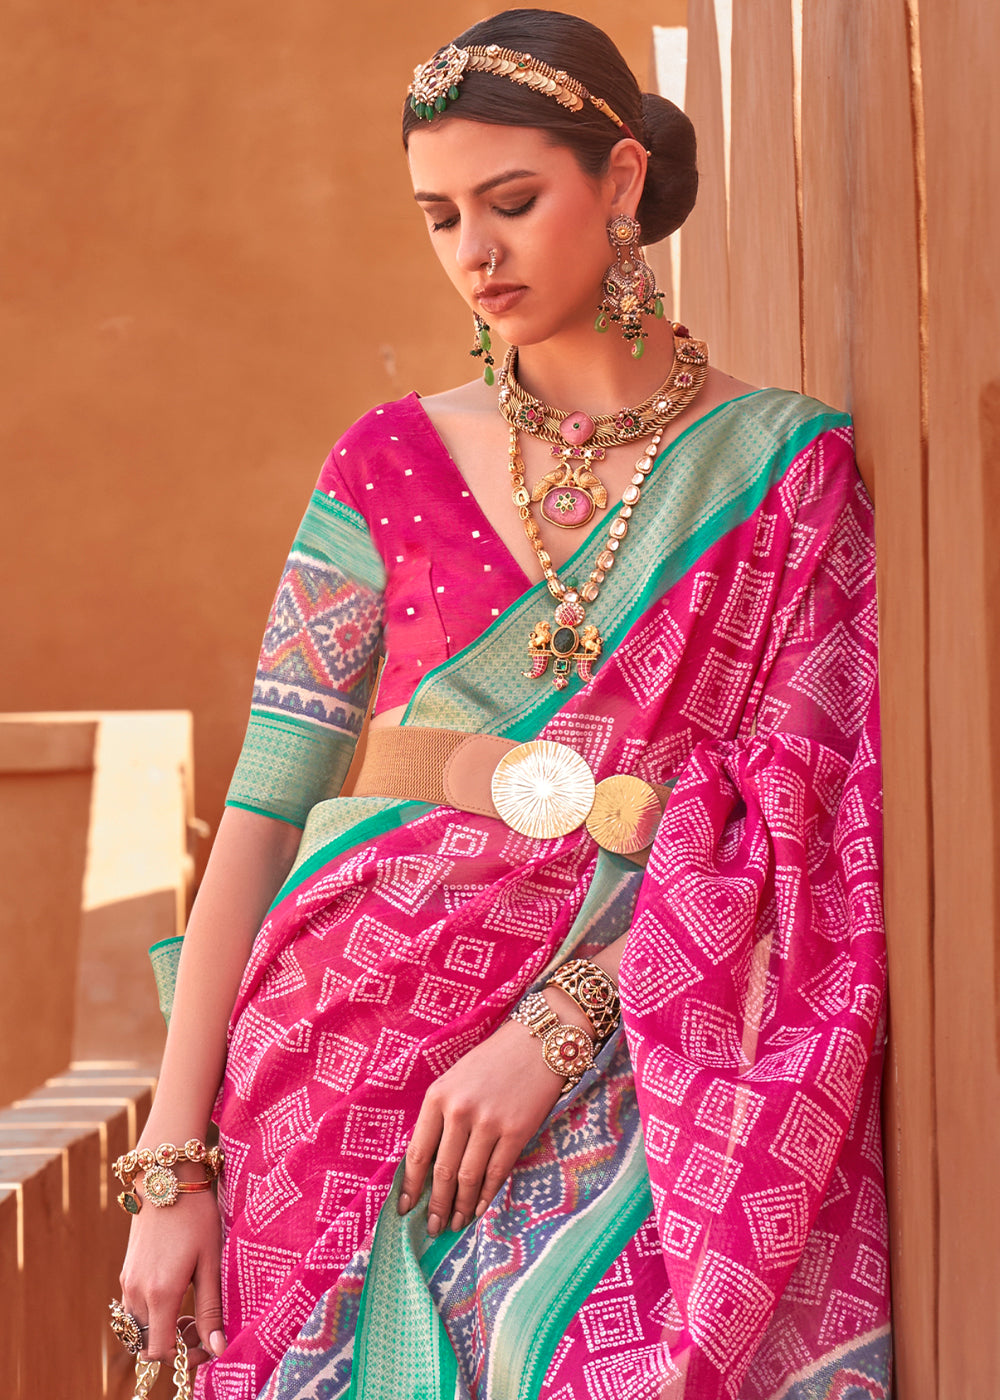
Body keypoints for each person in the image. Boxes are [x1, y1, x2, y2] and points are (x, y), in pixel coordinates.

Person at [115, 10, 892, 1399]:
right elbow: (264, 810)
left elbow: (807, 828)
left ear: (623, 179)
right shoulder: (386, 463)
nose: (474, 252)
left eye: (512, 202)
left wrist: (564, 1021)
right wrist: (175, 1166)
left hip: (641, 1054)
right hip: (328, 1065)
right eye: (441, 217)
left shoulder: (786, 474)